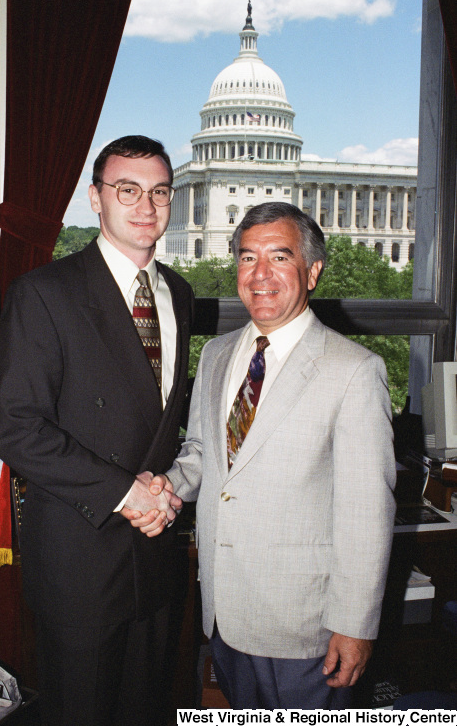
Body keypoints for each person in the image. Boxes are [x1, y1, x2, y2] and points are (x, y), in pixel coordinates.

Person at [130, 202, 396, 709]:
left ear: (313, 270)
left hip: (307, 627)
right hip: (225, 612)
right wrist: (166, 486)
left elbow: (367, 513)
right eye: (248, 258)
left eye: (279, 257)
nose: (261, 275)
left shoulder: (355, 370)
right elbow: (206, 453)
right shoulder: (217, 353)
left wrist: (355, 625)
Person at [0, 136, 194, 726]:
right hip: (81, 563)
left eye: (159, 192)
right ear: (95, 199)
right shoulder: (44, 293)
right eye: (126, 190)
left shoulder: (179, 294)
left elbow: (161, 425)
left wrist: (160, 496)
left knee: (147, 709)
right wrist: (128, 494)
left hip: (156, 555)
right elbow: (19, 430)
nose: (145, 206)